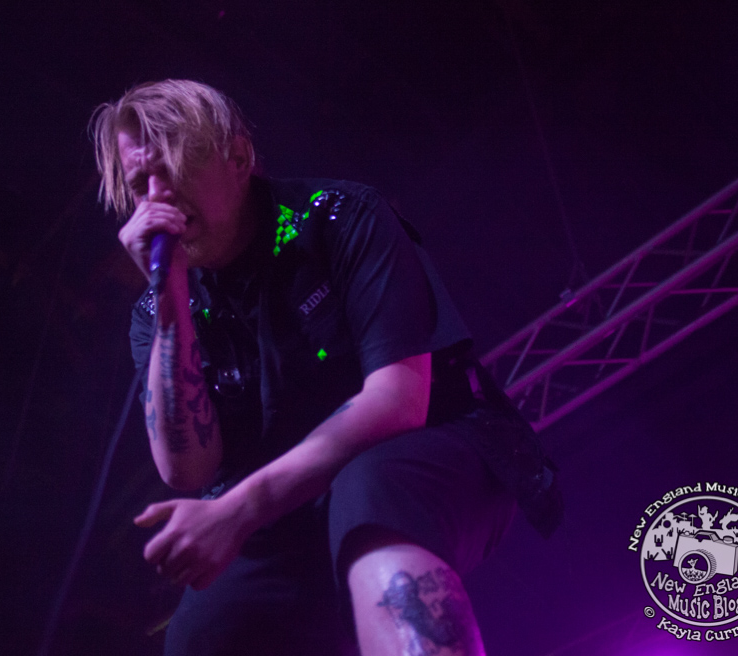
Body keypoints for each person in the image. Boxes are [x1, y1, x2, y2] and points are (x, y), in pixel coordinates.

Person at [90, 79, 562, 656]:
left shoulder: (340, 217)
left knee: (371, 490)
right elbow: (187, 469)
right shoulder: (156, 310)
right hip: (286, 508)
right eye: (140, 185)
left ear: (238, 158)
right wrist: (169, 300)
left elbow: (398, 399)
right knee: (202, 635)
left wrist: (236, 511)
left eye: (172, 170)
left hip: (431, 448)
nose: (157, 198)